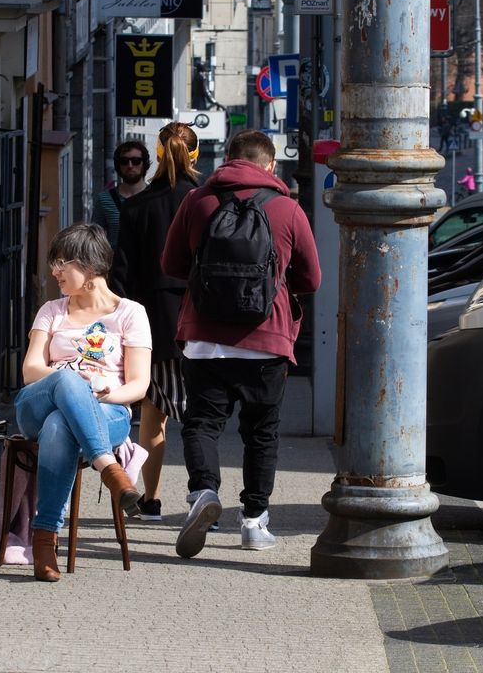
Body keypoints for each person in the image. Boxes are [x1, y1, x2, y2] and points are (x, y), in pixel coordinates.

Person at [161, 129, 321, 558]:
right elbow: (312, 279)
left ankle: (204, 492)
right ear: (270, 166)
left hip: (204, 340)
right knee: (262, 434)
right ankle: (253, 523)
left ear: (227, 159)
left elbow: (172, 264)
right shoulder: (288, 208)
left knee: (201, 424)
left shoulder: (198, 201)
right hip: (266, 342)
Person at [17, 222, 152, 582]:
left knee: (61, 426)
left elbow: (139, 384)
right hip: (38, 403)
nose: (54, 271)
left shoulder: (131, 313)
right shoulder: (52, 310)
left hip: (105, 411)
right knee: (64, 380)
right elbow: (31, 369)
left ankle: (44, 540)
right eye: (53, 262)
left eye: (62, 262)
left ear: (90, 267)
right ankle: (107, 465)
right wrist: (72, 381)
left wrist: (109, 393)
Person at [111, 122, 200, 522]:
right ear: (194, 156)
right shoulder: (206, 201)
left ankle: (152, 499)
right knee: (203, 418)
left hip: (153, 325)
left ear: (157, 157)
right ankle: (203, 497)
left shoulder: (135, 207)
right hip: (202, 321)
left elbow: (121, 276)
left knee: (152, 414)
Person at [91, 140, 150, 249]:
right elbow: (94, 240)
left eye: (136, 161)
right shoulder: (104, 200)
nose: (130, 165)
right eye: (124, 161)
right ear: (118, 165)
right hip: (116, 264)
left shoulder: (156, 198)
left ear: (144, 164)